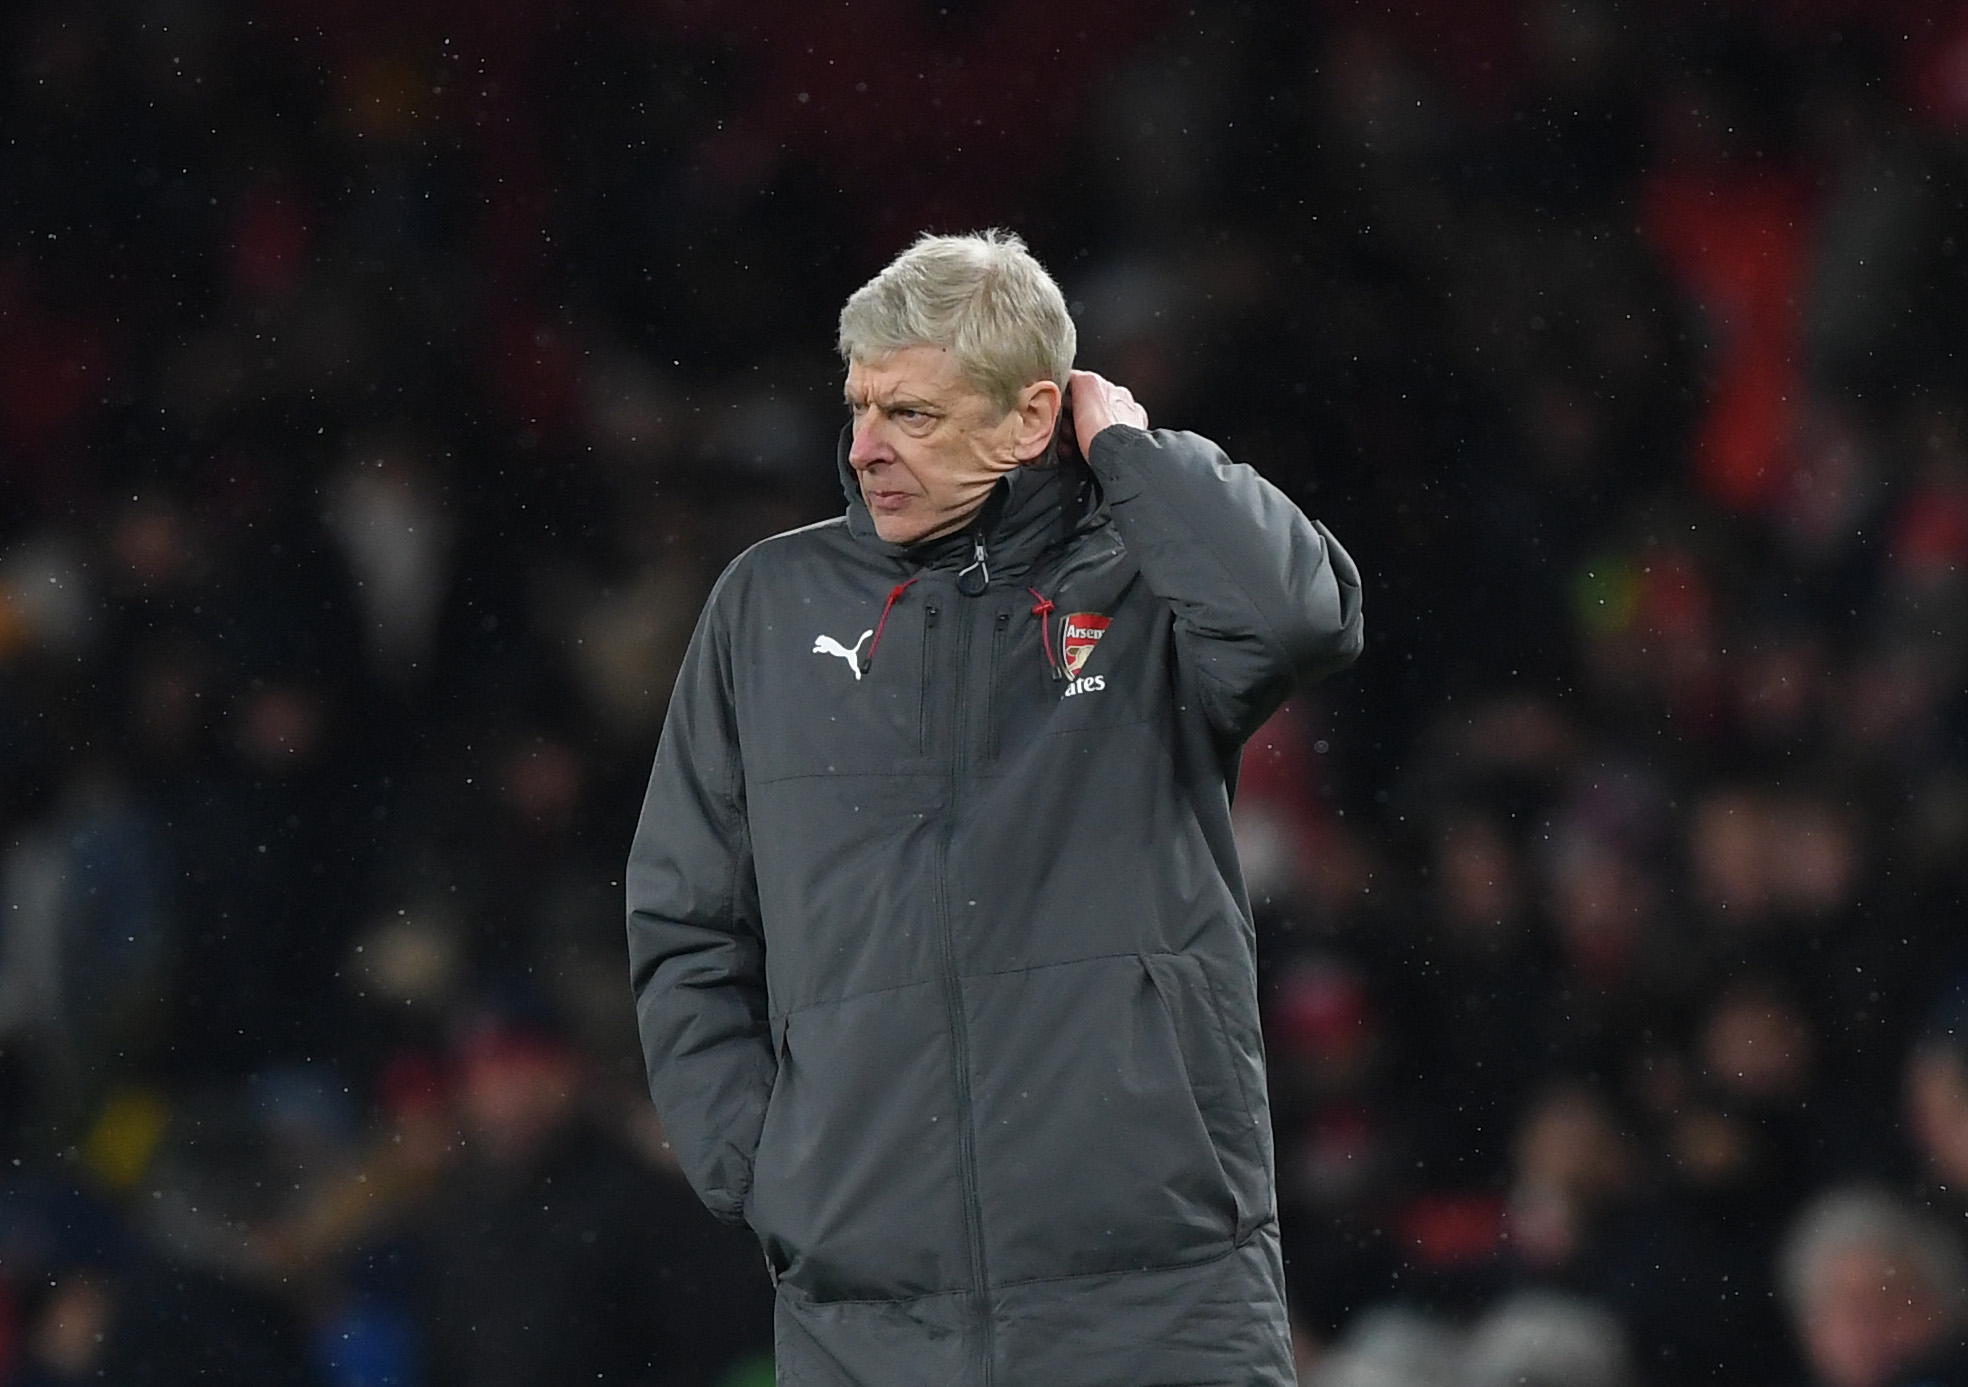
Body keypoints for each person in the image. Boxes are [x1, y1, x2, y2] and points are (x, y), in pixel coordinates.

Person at [626, 230, 1363, 1385]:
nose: (864, 448)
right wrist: (767, 1167)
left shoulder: (1144, 583)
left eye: (910, 415)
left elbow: (1299, 618)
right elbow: (684, 919)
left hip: (1157, 1298)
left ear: (1029, 420)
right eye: (860, 407)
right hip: (868, 1319)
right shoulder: (768, 606)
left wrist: (1128, 446)